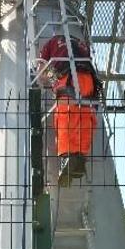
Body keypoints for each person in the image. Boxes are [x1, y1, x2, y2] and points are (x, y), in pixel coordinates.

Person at [37, 32, 101, 186]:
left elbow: (42, 70)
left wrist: (54, 81)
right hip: (89, 80)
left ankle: (68, 157)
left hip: (68, 78)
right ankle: (80, 158)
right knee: (85, 117)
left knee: (64, 116)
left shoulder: (51, 43)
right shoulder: (80, 43)